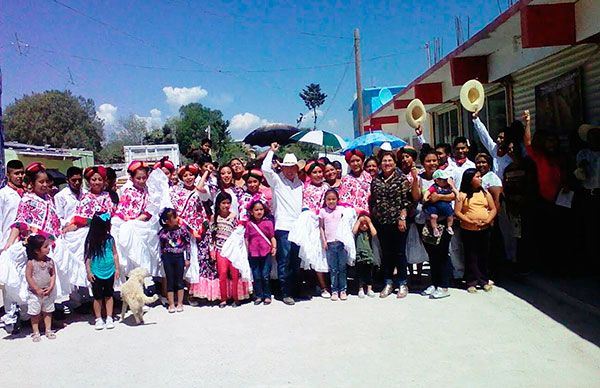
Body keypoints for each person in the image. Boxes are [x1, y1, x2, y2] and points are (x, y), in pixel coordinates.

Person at [261, 143, 303, 306]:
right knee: (284, 260)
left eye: (293, 167)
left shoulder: (300, 184)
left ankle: (294, 290)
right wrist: (272, 151)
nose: (291, 170)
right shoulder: (277, 181)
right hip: (284, 227)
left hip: (298, 227)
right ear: (283, 168)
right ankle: (285, 293)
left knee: (296, 260)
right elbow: (265, 169)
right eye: (287, 167)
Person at [170, 165, 215, 302]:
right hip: (183, 231)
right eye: (185, 175)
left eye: (191, 175)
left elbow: (200, 189)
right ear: (181, 178)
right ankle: (189, 292)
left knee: (201, 260)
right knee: (187, 262)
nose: (188, 178)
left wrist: (206, 172)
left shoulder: (202, 190)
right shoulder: (175, 192)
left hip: (199, 229)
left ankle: (202, 292)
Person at [370, 150, 411, 298]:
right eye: (384, 161)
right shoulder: (376, 180)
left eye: (390, 161)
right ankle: (388, 282)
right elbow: (373, 200)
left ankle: (402, 283)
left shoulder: (401, 179)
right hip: (382, 222)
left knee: (399, 253)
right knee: (386, 254)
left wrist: (402, 217)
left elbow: (407, 201)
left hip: (398, 222)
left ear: (395, 163)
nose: (387, 164)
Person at [289, 160, 330, 297]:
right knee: (312, 255)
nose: (318, 175)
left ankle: (327, 285)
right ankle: (319, 286)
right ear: (309, 174)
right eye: (315, 172)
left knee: (323, 255)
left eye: (320, 172)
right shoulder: (305, 187)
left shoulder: (326, 187)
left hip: (324, 222)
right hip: (309, 223)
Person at [112, 161, 160, 277]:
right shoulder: (129, 192)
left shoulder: (148, 191)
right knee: (130, 257)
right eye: (138, 178)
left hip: (141, 226)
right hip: (129, 226)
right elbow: (124, 213)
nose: (142, 181)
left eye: (144, 178)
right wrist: (137, 220)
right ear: (132, 178)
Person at [417, 147, 453, 299]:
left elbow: (453, 194)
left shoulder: (446, 176)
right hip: (425, 221)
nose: (431, 163)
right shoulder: (420, 178)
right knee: (432, 254)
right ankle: (435, 283)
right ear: (423, 163)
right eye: (428, 161)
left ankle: (444, 286)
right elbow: (419, 197)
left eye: (434, 160)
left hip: (443, 221)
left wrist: (438, 197)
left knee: (442, 253)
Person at [454, 169, 497, 293]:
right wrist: (470, 221)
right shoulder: (462, 195)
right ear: (470, 179)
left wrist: (488, 220)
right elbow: (457, 212)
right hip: (468, 230)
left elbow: (493, 208)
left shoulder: (485, 193)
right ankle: (471, 281)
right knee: (470, 255)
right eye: (477, 177)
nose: (480, 179)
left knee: (483, 255)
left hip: (484, 229)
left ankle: (483, 280)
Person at [85, 212, 119, 330]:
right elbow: (88, 257)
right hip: (96, 272)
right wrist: (89, 272)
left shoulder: (110, 239)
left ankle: (109, 317)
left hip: (110, 271)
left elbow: (115, 254)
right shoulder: (91, 241)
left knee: (109, 295)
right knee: (97, 297)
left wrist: (117, 268)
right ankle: (98, 318)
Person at [212, 192, 244, 308]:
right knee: (223, 273)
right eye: (223, 203)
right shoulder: (214, 217)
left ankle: (236, 298)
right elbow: (212, 235)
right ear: (218, 204)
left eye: (228, 203)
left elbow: (238, 233)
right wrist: (212, 250)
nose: (226, 205)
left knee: (235, 274)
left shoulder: (234, 216)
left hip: (233, 250)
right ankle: (223, 299)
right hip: (220, 250)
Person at [574, 124, 600, 269]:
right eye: (591, 137)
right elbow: (580, 176)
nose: (594, 140)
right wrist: (582, 167)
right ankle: (593, 262)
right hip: (589, 195)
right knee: (591, 229)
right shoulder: (583, 154)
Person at [24, 234, 56, 342]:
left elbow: (52, 274)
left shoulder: (50, 261)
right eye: (45, 247)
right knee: (35, 312)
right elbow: (28, 276)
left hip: (47, 291)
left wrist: (51, 286)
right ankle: (36, 331)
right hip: (34, 292)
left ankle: (48, 329)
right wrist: (36, 289)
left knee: (48, 311)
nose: (48, 248)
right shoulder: (31, 263)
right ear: (37, 250)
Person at [158, 208, 190, 313]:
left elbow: (187, 244)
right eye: (174, 217)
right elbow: (161, 247)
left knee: (180, 280)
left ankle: (180, 303)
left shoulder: (182, 230)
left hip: (179, 256)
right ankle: (171, 303)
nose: (177, 219)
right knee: (170, 280)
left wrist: (187, 258)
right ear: (167, 221)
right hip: (168, 258)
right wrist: (162, 258)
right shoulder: (163, 233)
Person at [245, 200, 276, 305]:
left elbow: (272, 237)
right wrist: (246, 250)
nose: (259, 212)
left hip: (266, 252)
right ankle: (259, 295)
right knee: (256, 276)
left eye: (261, 209)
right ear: (252, 212)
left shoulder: (268, 223)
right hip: (253, 253)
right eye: (256, 210)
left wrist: (274, 247)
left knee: (265, 275)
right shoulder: (249, 224)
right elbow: (247, 239)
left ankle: (267, 295)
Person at [319, 189, 347, 301]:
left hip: (341, 243)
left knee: (342, 268)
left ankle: (343, 290)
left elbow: (346, 225)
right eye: (329, 199)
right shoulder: (323, 212)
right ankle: (334, 290)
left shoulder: (342, 210)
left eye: (333, 199)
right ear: (325, 200)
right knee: (333, 269)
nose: (331, 201)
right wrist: (324, 241)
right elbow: (321, 227)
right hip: (330, 244)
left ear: (337, 200)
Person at [472, 112, 512, 178]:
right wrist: (476, 119)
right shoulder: (494, 149)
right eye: (498, 137)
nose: (498, 140)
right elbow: (484, 136)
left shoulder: (511, 156)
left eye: (501, 138)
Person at [422, 169, 456, 237]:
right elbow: (428, 191)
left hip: (445, 205)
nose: (445, 181)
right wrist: (425, 197)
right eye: (443, 179)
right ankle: (434, 228)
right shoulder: (434, 187)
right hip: (434, 205)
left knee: (450, 215)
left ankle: (449, 227)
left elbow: (454, 194)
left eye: (446, 179)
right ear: (436, 180)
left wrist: (452, 186)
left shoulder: (448, 187)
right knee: (433, 216)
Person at [0, 160, 25, 248]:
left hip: (26, 242)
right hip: (7, 242)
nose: (20, 176)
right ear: (8, 175)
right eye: (16, 173)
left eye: (22, 173)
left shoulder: (27, 194)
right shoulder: (3, 194)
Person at [339, 149, 372, 214]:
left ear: (362, 161)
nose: (355, 164)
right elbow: (343, 201)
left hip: (368, 215)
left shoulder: (369, 177)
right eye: (352, 161)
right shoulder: (346, 179)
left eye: (358, 160)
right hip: (351, 215)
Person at [352, 214, 377, 298]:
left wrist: (369, 222)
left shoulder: (369, 233)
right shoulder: (358, 233)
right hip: (360, 256)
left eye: (366, 224)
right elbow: (354, 231)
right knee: (360, 273)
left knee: (369, 273)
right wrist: (359, 221)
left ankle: (369, 289)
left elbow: (374, 233)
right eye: (362, 224)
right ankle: (361, 289)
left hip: (369, 256)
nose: (364, 226)